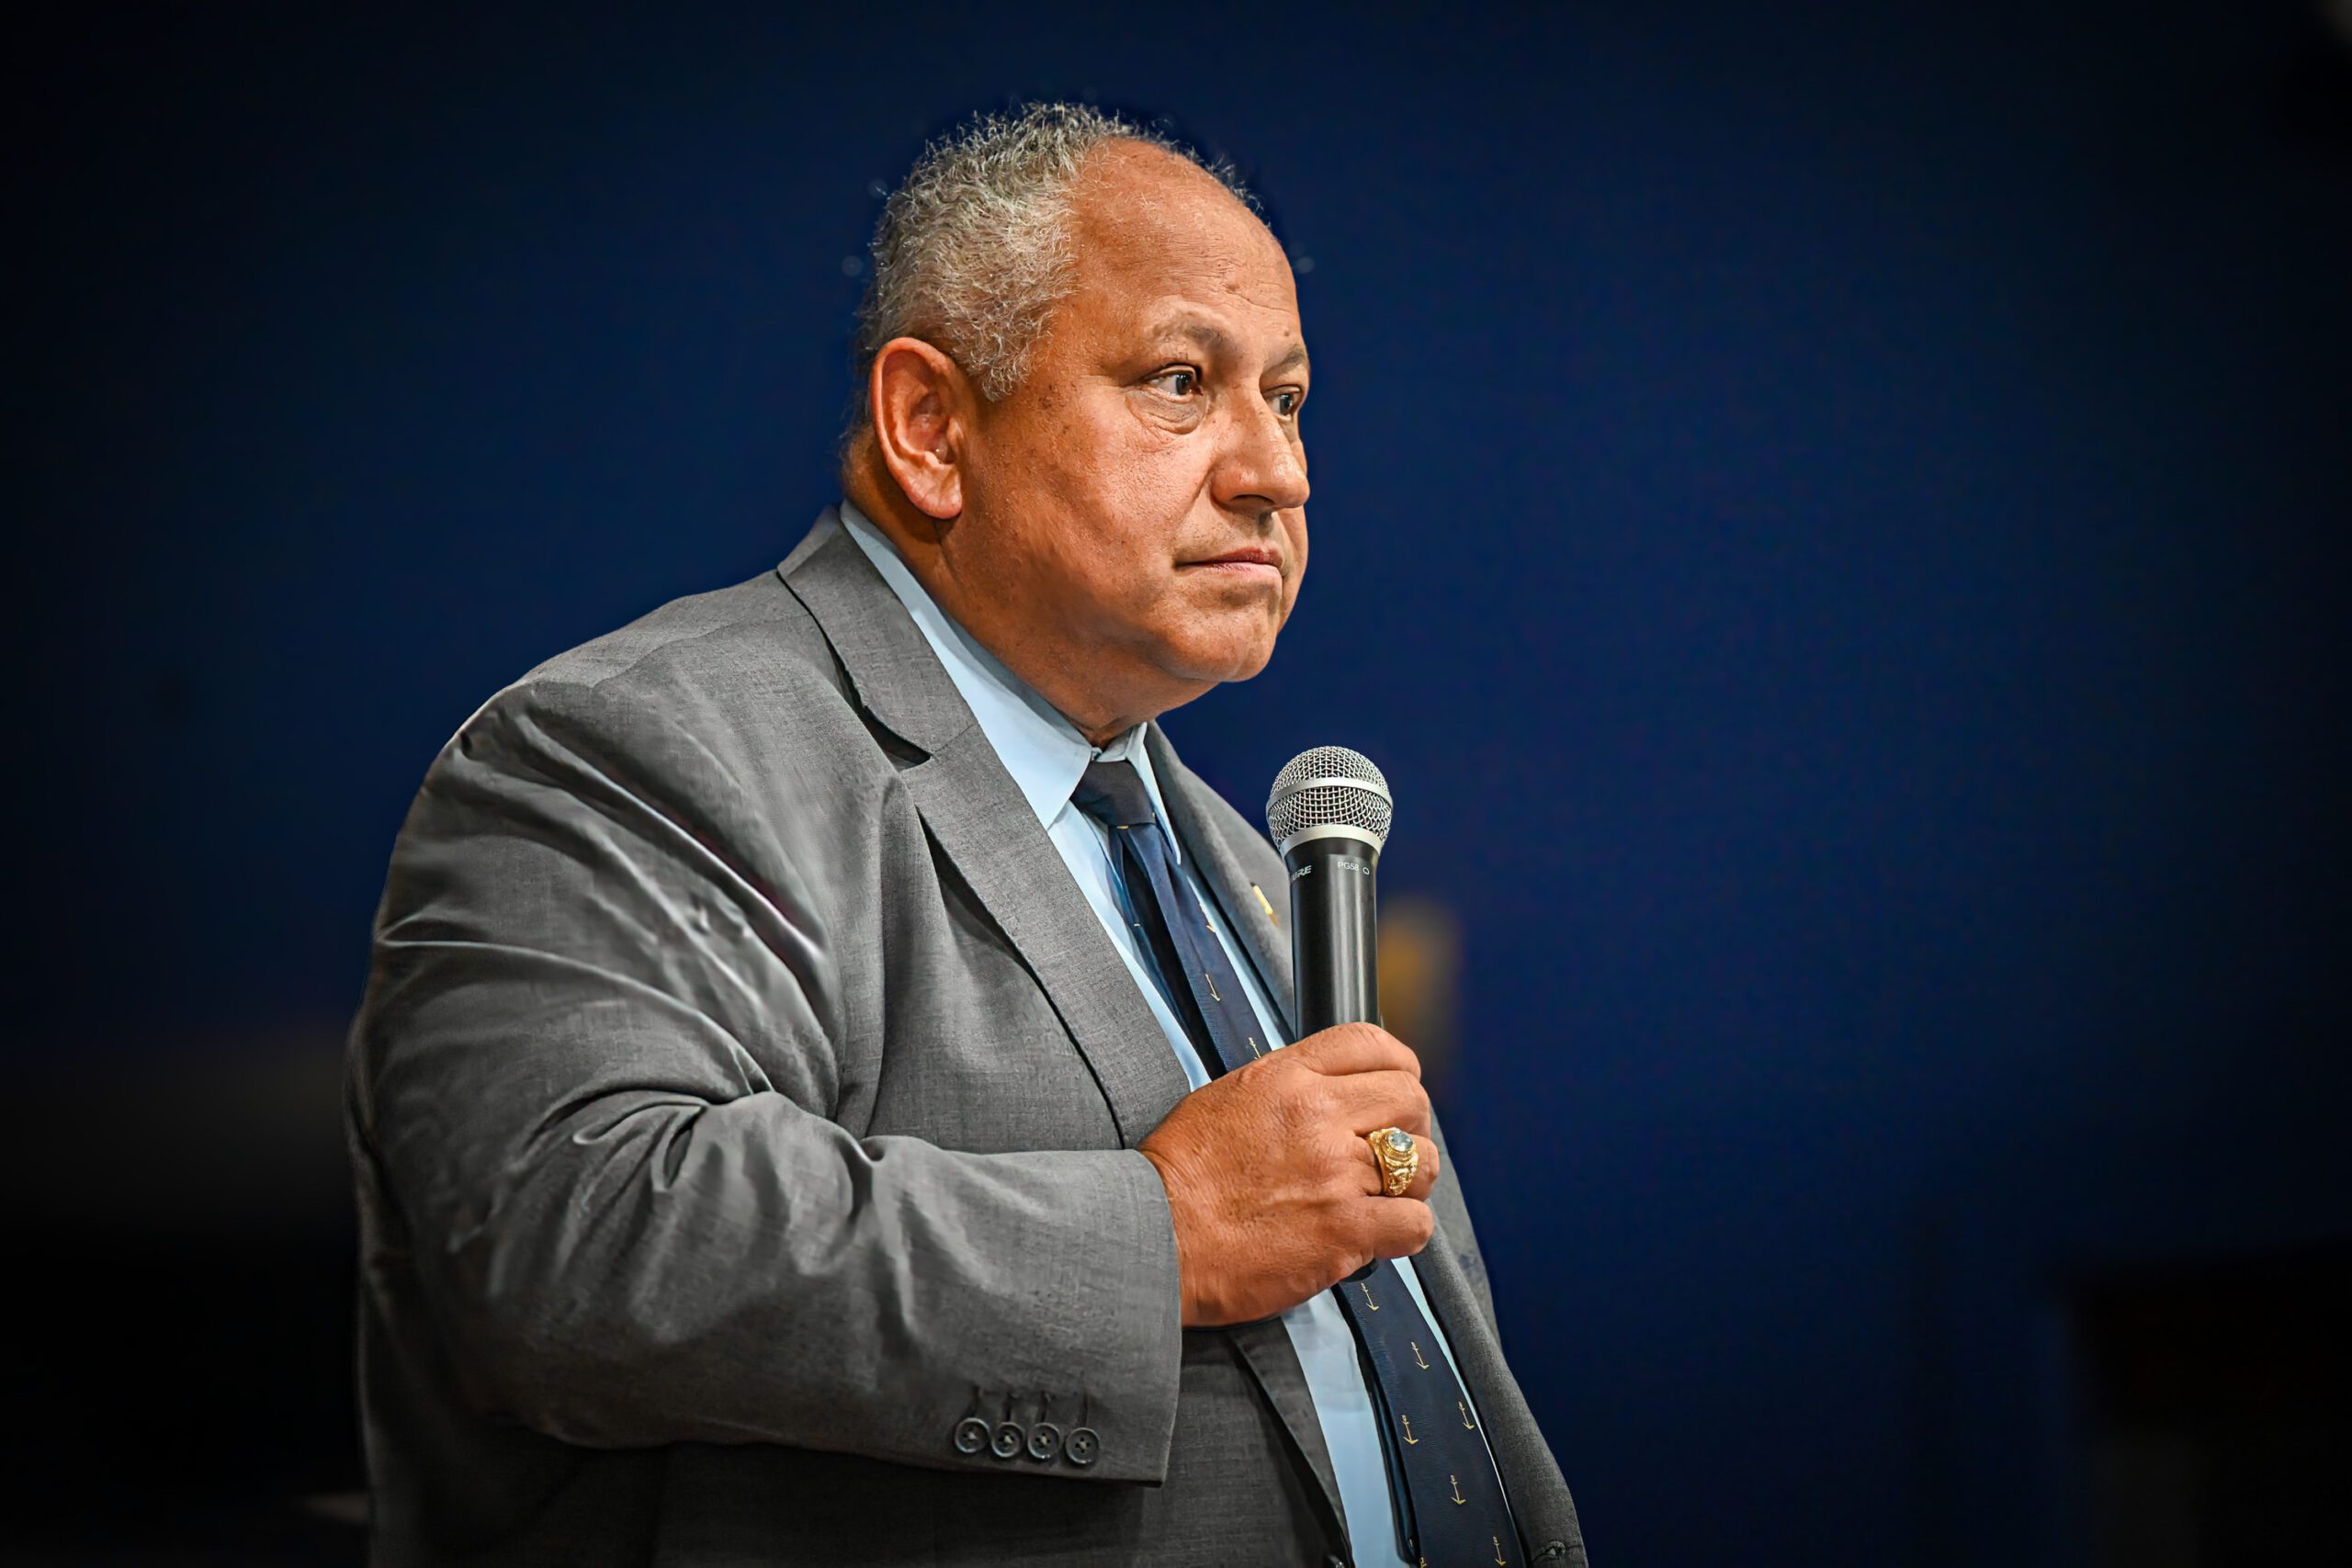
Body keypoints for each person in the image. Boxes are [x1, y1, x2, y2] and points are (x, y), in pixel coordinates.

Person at [345, 102, 1587, 1568]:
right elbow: (568, 1244)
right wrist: (1162, 1232)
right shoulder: (638, 744)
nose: (1278, 472)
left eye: (1293, 400)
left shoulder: (1240, 865)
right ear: (933, 429)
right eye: (1183, 383)